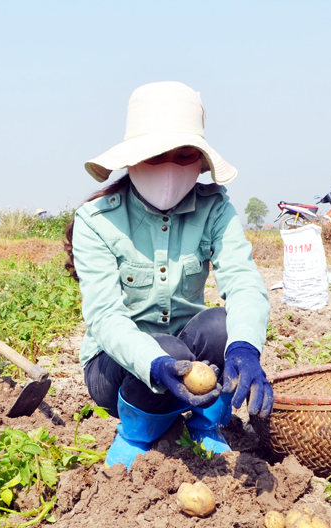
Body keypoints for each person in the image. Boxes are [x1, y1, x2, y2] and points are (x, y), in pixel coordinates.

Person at [64, 82, 273, 470]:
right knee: (168, 353)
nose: (171, 169)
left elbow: (243, 281)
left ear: (200, 160)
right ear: (133, 159)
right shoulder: (96, 222)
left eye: (184, 155)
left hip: (186, 351)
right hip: (115, 367)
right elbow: (105, 317)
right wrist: (154, 364)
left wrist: (245, 347)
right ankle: (137, 432)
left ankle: (206, 424)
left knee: (222, 327)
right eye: (157, 155)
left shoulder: (214, 210)